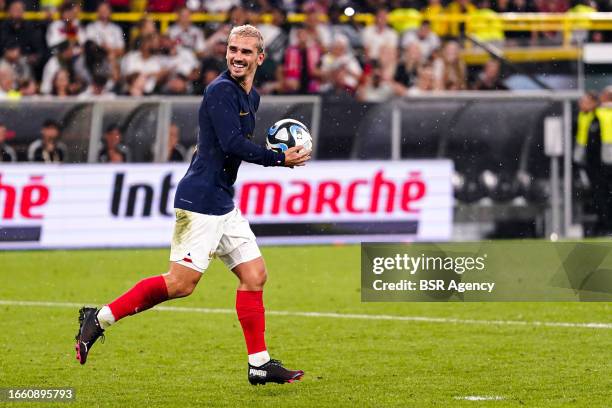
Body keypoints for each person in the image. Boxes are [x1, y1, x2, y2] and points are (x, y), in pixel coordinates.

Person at [74, 24, 309, 385]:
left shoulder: (252, 96)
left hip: (222, 200)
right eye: (233, 49)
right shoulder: (220, 92)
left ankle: (258, 363)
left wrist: (272, 155)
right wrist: (279, 159)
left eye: (246, 51)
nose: (237, 56)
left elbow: (231, 147)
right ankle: (99, 317)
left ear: (260, 58)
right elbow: (231, 143)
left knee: (254, 275)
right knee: (181, 284)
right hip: (200, 200)